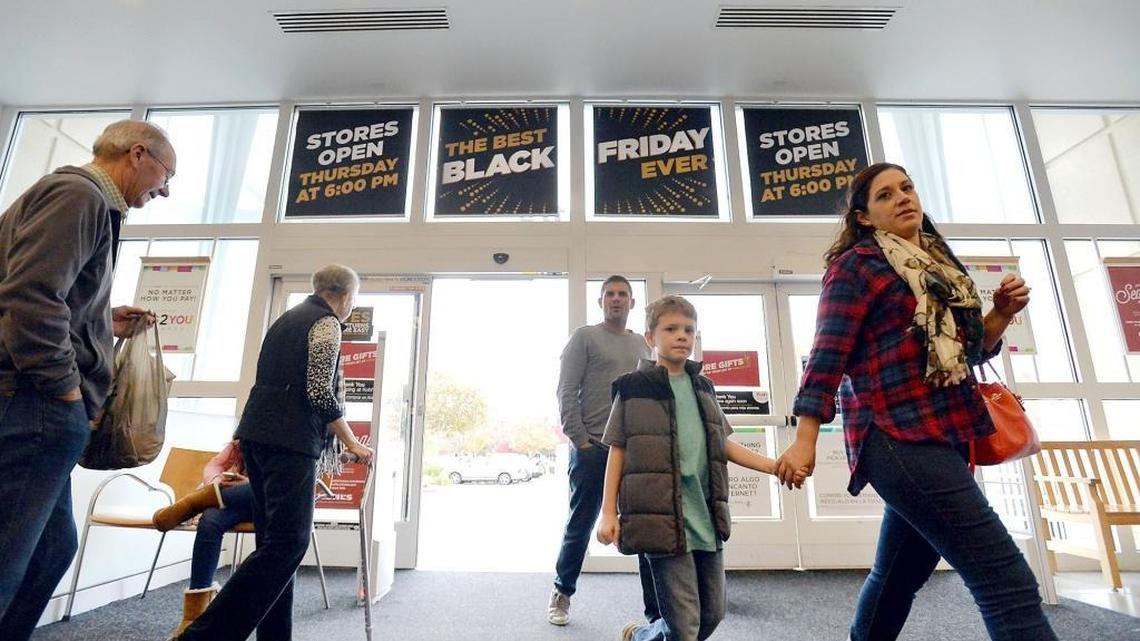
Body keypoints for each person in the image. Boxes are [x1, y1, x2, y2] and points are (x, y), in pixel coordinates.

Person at [775, 162, 1058, 641]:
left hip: (946, 432)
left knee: (899, 578)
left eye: (906, 187)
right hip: (894, 436)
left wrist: (1001, 315)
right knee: (1005, 578)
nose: (903, 197)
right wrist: (804, 440)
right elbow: (826, 357)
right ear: (864, 218)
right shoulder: (856, 267)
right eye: (885, 195)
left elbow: (966, 351)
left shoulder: (938, 264)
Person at [0, 119, 174, 641]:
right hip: (37, 403)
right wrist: (66, 391)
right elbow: (30, 298)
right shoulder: (80, 196)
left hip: (39, 404)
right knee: (8, 558)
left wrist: (102, 321)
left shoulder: (74, 198)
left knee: (51, 550)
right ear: (137, 154)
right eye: (165, 176)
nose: (163, 190)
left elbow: (46, 292)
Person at [175, 264, 374, 641]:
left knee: (273, 546)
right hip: (290, 444)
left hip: (256, 438)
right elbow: (319, 392)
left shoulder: (286, 320)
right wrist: (352, 442)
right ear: (347, 296)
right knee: (288, 543)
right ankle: (202, 635)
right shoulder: (327, 323)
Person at [597, 295, 805, 641]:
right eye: (671, 329)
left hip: (704, 516)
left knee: (712, 614)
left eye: (689, 330)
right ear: (650, 337)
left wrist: (774, 467)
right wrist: (608, 512)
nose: (682, 336)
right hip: (659, 518)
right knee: (684, 625)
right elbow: (617, 450)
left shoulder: (704, 387)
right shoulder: (632, 388)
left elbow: (722, 445)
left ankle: (642, 637)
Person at [550, 276, 655, 626]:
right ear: (600, 302)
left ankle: (655, 612)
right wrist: (579, 439)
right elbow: (566, 390)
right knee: (580, 524)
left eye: (622, 294)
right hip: (592, 447)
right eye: (609, 294)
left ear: (632, 303)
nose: (616, 299)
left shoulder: (642, 344)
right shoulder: (585, 337)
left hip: (633, 451)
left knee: (641, 527)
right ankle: (562, 593)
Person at [150, 440, 253, 637]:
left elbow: (281, 483)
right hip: (235, 502)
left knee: (253, 489)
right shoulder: (243, 439)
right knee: (210, 521)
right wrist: (216, 481)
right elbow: (214, 464)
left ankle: (194, 502)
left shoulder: (289, 437)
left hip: (269, 502)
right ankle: (193, 616)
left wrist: (245, 484)